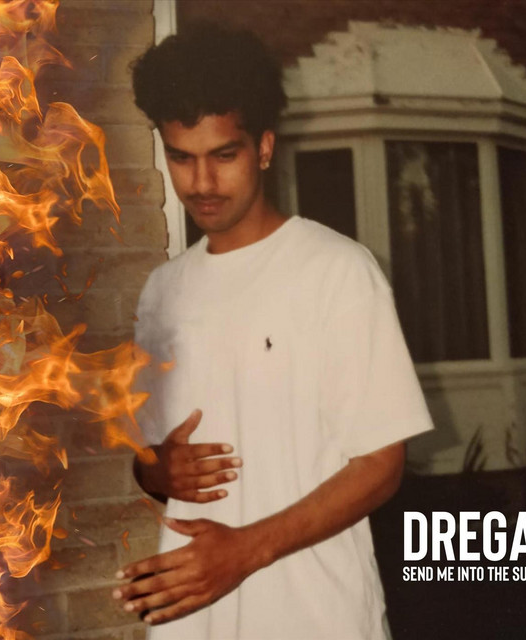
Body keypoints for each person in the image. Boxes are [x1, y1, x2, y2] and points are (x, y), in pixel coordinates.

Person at [112, 22, 433, 640]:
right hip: (193, 619)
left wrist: (244, 551)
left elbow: (381, 463)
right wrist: (155, 473)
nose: (201, 184)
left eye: (223, 155)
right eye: (182, 158)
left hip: (315, 615)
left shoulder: (337, 270)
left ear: (263, 147)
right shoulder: (162, 291)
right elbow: (151, 461)